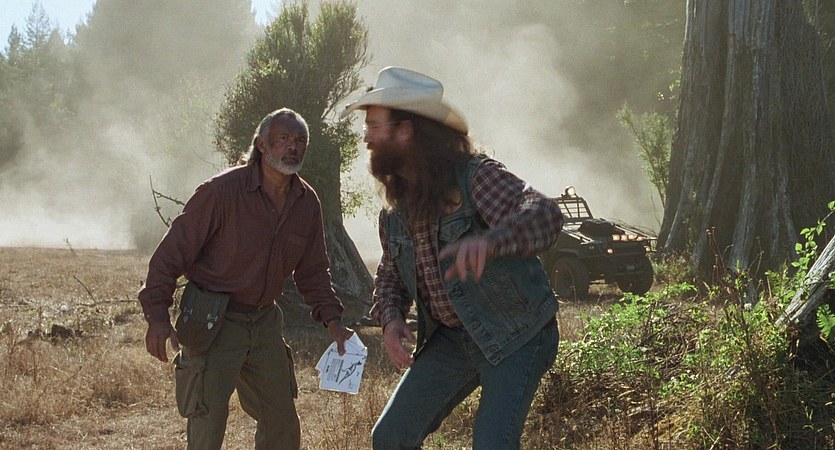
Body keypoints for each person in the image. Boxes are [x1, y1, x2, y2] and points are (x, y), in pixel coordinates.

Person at [341, 67, 564, 449]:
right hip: (453, 340)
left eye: (374, 126)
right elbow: (390, 274)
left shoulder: (475, 177)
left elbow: (544, 214)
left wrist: (492, 242)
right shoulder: (395, 210)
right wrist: (391, 318)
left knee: (492, 443)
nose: (366, 137)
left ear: (405, 131)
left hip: (517, 333)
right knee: (390, 437)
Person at [138, 107, 354, 450]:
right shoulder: (221, 192)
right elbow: (171, 253)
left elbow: (313, 270)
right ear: (261, 145)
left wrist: (333, 321)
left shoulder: (306, 202)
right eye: (283, 138)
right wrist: (157, 317)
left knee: (281, 423)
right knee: (207, 423)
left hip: (264, 320)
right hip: (212, 319)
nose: (293, 147)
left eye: (300, 140)